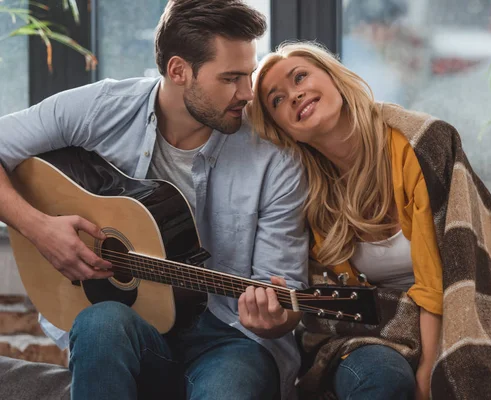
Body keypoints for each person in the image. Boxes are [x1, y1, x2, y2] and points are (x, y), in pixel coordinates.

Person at [0, 1, 308, 399]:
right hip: (132, 325)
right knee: (101, 323)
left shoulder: (276, 162)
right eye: (231, 78)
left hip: (229, 337)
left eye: (248, 74)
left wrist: (276, 318)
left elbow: (285, 292)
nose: (248, 93)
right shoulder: (101, 108)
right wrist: (38, 227)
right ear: (179, 71)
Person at [247, 42, 491, 400]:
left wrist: (427, 374)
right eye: (277, 100)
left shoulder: (421, 143)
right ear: (280, 128)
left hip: (453, 309)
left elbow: (445, 275)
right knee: (382, 381)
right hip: (367, 330)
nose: (294, 95)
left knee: (466, 371)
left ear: (335, 78)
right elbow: (328, 298)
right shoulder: (303, 187)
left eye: (300, 77)